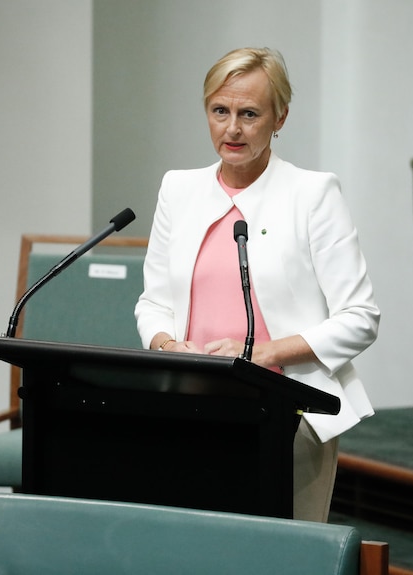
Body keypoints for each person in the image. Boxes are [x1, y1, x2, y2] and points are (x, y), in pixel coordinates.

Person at [135, 47, 380, 522]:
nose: (233, 129)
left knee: (287, 558)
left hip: (290, 410)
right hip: (193, 406)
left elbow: (360, 319)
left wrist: (265, 354)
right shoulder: (178, 190)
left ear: (280, 118)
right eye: (220, 111)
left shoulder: (312, 195)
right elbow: (153, 303)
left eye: (249, 114)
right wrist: (167, 343)